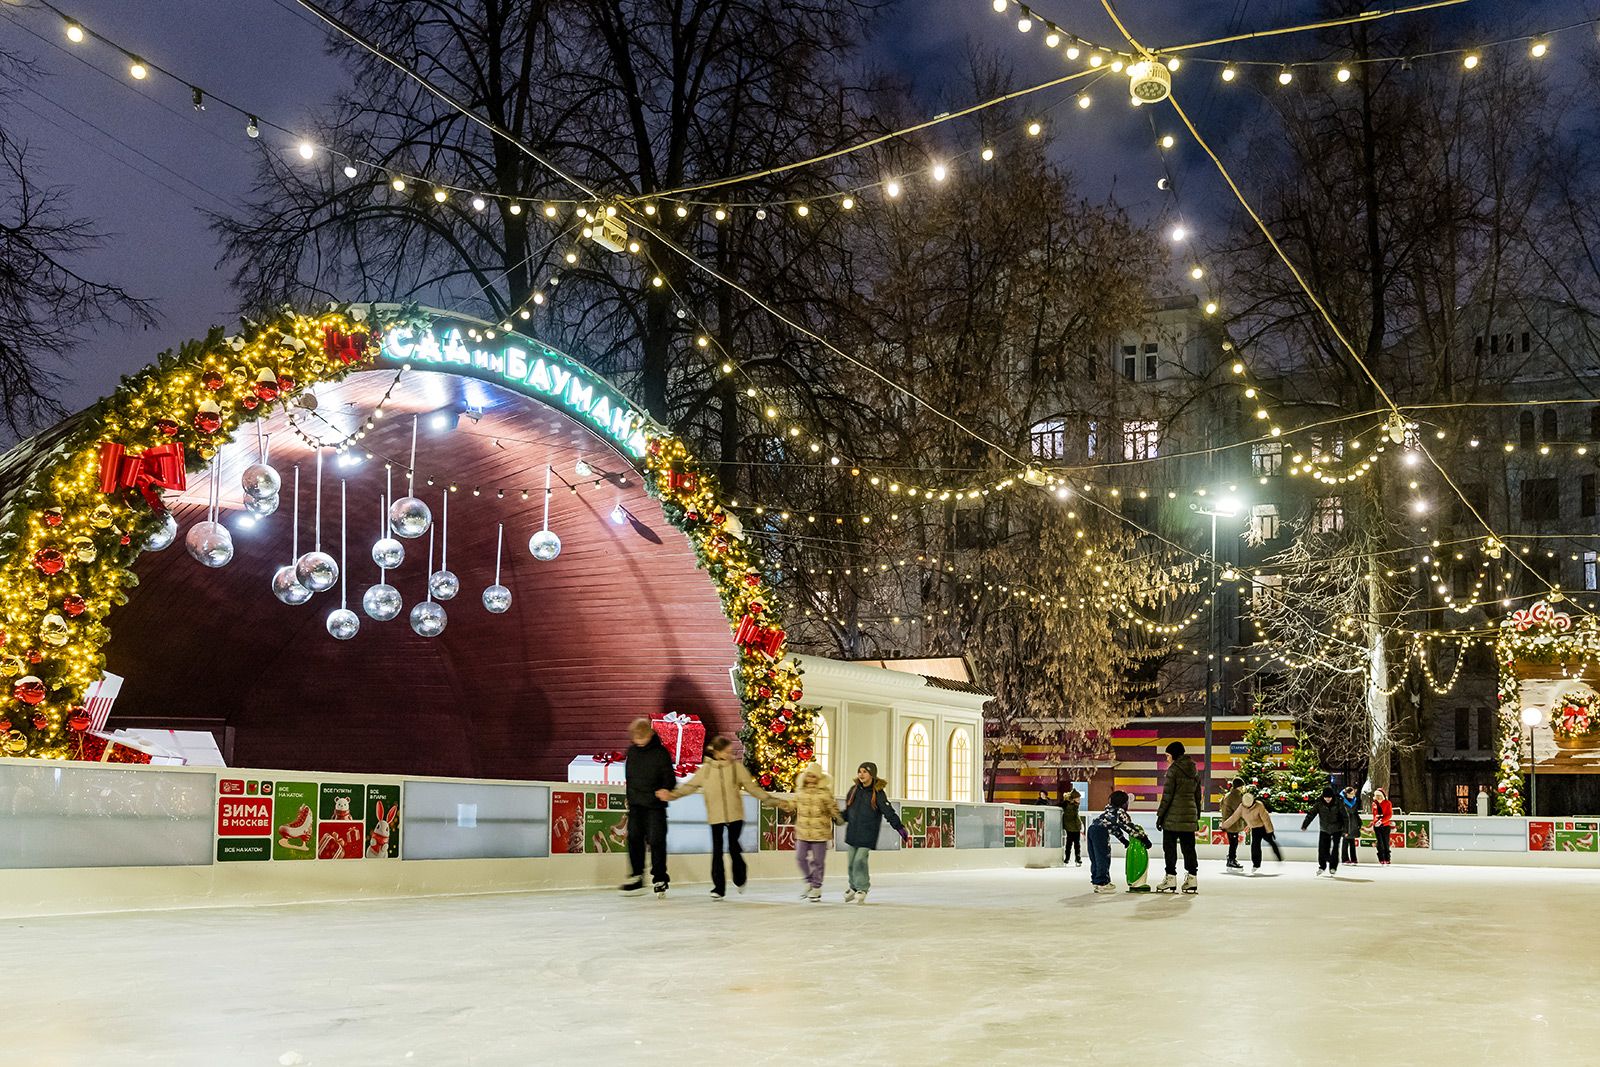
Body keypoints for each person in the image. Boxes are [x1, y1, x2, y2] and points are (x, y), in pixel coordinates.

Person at [667, 735, 778, 899]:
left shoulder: (736, 768)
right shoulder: (705, 770)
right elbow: (690, 786)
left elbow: (751, 787)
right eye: (727, 752)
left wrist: (769, 799)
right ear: (717, 752)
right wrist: (673, 795)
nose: (730, 755)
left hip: (735, 815)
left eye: (731, 751)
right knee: (717, 851)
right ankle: (719, 888)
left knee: (734, 847)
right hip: (716, 816)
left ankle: (740, 878)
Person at [621, 717, 676, 896]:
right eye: (636, 738)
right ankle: (637, 875)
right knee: (634, 838)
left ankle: (660, 877)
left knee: (657, 841)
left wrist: (665, 789)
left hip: (655, 806)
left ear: (649, 734)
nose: (639, 741)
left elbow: (670, 777)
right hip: (636, 805)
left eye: (641, 737)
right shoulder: (632, 752)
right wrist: (629, 797)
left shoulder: (661, 753)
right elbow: (629, 778)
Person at [842, 762, 908, 904]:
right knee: (851, 862)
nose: (861, 774)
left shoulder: (877, 793)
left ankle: (862, 888)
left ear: (872, 774)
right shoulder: (853, 790)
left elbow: (888, 812)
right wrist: (838, 817)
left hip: (868, 833)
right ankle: (853, 887)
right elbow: (848, 812)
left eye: (865, 771)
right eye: (859, 771)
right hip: (853, 832)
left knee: (860, 859)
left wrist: (899, 827)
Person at [789, 762, 844, 901]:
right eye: (809, 775)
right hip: (803, 832)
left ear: (819, 778)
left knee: (818, 861)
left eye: (814, 776)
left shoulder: (825, 793)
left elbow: (832, 808)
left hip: (820, 833)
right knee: (800, 857)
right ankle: (809, 881)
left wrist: (837, 817)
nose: (811, 778)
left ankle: (817, 887)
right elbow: (792, 805)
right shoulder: (800, 792)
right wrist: (779, 803)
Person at [1155, 741, 1202, 894]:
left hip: (1172, 818)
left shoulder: (1173, 770)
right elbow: (1197, 796)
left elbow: (1167, 796)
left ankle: (1170, 878)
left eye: (1168, 755)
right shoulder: (1194, 770)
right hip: (1189, 816)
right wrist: (1196, 816)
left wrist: (1160, 815)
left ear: (1174, 755)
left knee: (1169, 848)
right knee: (1189, 848)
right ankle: (1192, 878)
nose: (1167, 759)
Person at [1086, 789, 1149, 894]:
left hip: (1092, 829)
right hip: (1101, 832)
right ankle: (1103, 883)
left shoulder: (1109, 811)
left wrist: (1123, 840)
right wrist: (1144, 838)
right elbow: (1129, 827)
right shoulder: (1119, 812)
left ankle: (1097, 881)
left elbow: (1114, 828)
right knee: (1103, 857)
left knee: (1095, 857)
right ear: (1124, 803)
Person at [1218, 791, 1282, 873]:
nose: (1247, 808)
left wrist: (1270, 831)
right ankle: (1256, 865)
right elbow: (1233, 818)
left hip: (1263, 828)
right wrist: (1224, 826)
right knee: (1255, 846)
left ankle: (1278, 856)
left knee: (1271, 842)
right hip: (1255, 829)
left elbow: (1266, 819)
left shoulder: (1259, 805)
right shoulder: (1241, 807)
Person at [1300, 785, 1347, 877]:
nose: (1328, 799)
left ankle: (1333, 867)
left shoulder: (1338, 802)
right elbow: (1311, 814)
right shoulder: (1319, 803)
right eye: (1326, 797)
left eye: (1329, 797)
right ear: (1323, 796)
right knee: (1322, 849)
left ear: (1332, 796)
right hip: (1324, 828)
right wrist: (1305, 824)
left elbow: (1345, 817)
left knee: (1335, 848)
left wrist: (1345, 829)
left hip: (1337, 828)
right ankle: (1322, 866)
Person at [1219, 777, 1245, 871]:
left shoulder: (1228, 794)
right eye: (1242, 786)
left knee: (1233, 842)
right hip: (1232, 823)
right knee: (1233, 843)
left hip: (1227, 821)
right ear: (1239, 786)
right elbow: (1240, 810)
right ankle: (1231, 860)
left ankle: (1231, 858)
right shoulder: (1235, 796)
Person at [1060, 788, 1083, 867]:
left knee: (1075, 844)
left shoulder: (1075, 805)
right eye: (1078, 798)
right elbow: (1071, 817)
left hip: (1075, 827)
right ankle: (1069, 858)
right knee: (1070, 844)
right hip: (1071, 828)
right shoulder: (1068, 805)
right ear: (1073, 798)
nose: (1079, 799)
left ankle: (1075, 858)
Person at [1371, 787, 1394, 865]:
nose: (1378, 797)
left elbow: (1389, 815)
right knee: (1380, 842)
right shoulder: (1374, 803)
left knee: (1386, 842)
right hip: (1377, 826)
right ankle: (1381, 858)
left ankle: (1387, 858)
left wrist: (1382, 821)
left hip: (1385, 825)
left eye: (1380, 796)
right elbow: (1374, 815)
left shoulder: (1388, 803)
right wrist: (1376, 821)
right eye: (1377, 796)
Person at [1340, 786, 1363, 866]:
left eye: (1354, 793)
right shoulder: (1341, 801)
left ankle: (1354, 858)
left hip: (1353, 823)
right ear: (1347, 794)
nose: (1353, 795)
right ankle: (1345, 858)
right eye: (1351, 794)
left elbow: (1355, 812)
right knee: (1345, 842)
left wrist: (1359, 822)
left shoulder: (1354, 801)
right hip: (1345, 823)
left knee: (1352, 842)